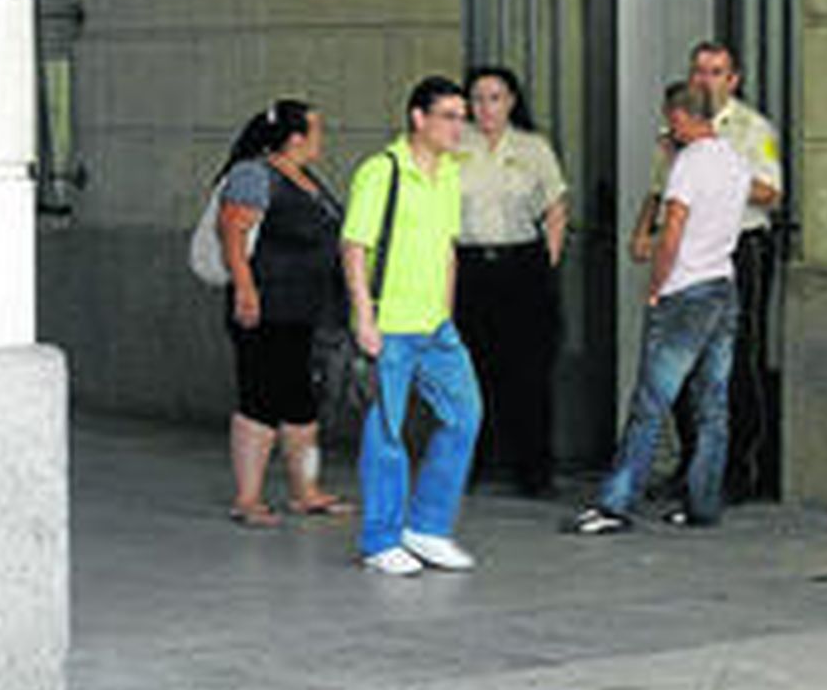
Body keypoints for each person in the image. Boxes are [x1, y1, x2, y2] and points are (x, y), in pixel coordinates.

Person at [568, 83, 750, 534]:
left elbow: (673, 232)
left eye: (670, 118)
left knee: (650, 403)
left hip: (685, 290)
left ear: (680, 116)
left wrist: (655, 285)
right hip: (723, 286)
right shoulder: (735, 161)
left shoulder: (689, 165)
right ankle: (703, 503)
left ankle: (615, 503)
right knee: (712, 404)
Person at [340, 75, 483, 576]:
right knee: (387, 432)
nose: (457, 127)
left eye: (461, 117)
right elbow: (354, 246)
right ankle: (381, 538)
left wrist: (446, 312)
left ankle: (426, 528)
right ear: (418, 118)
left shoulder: (448, 173)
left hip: (435, 327)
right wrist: (364, 316)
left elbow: (447, 248)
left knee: (465, 415)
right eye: (448, 116)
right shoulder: (382, 172)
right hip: (390, 324)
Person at [630, 41, 783, 502]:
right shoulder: (675, 129)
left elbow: (771, 193)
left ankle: (737, 472)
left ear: (732, 79)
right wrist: (642, 232)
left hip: (738, 248)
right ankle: (690, 467)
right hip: (683, 250)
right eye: (698, 71)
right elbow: (659, 189)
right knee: (680, 362)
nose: (705, 80)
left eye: (716, 72)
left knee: (735, 361)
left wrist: (719, 170)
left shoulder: (752, 129)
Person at [216, 98, 352, 528]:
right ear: (295, 138)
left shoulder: (305, 178)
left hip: (304, 309)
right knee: (260, 395)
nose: (321, 139)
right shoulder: (254, 174)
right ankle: (248, 497)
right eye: (316, 130)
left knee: (299, 400)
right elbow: (233, 232)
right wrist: (245, 289)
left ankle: (305, 490)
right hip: (265, 305)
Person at [453, 65, 569, 497]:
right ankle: (468, 466)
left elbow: (555, 207)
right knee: (468, 372)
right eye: (478, 98)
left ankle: (534, 471)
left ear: (512, 102)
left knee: (529, 372)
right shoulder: (452, 145)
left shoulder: (532, 147)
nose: (486, 107)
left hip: (521, 264)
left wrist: (547, 261)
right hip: (467, 265)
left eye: (495, 98)